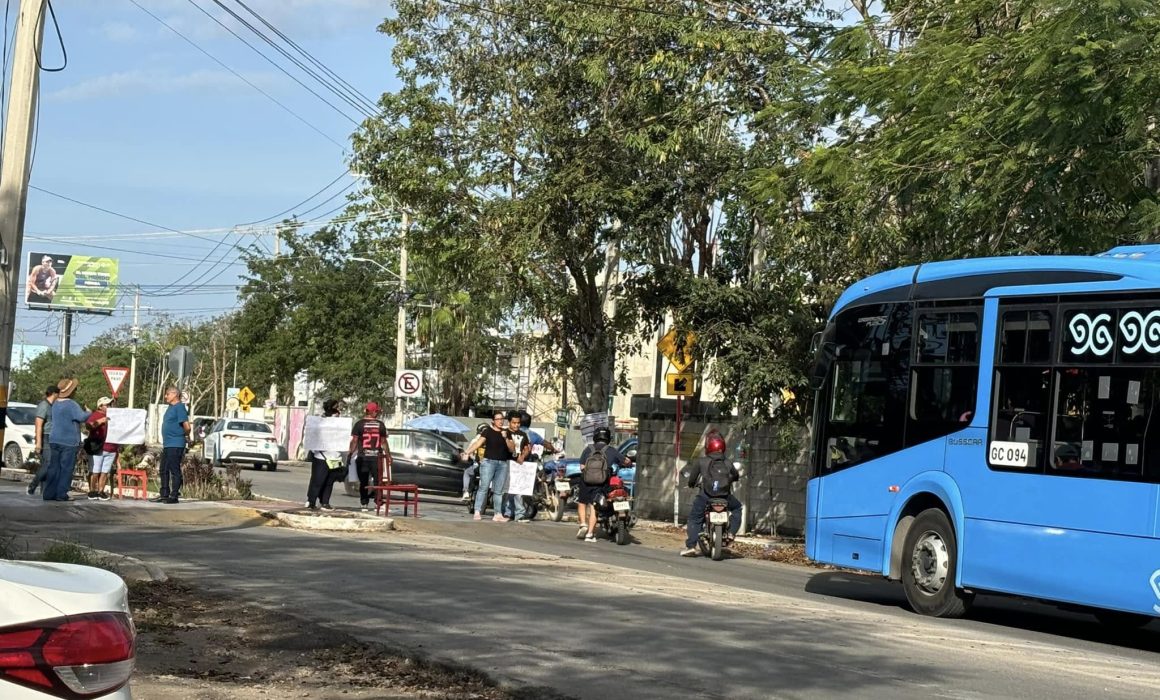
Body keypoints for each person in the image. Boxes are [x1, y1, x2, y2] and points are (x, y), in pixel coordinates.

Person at [680, 433, 742, 557]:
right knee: (737, 508)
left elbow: (692, 479)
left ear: (708, 447)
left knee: (695, 518)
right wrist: (730, 479)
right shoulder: (727, 462)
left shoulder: (701, 461)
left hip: (706, 496)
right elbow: (736, 476)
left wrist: (692, 484)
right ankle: (730, 533)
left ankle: (691, 546)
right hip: (725, 497)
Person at [462, 411, 515, 522]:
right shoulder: (488, 431)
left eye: (502, 419)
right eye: (498, 419)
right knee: (484, 487)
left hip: (502, 464)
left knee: (498, 490)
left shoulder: (506, 433)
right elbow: (478, 443)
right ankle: (477, 511)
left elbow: (512, 449)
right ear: (493, 421)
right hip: (489, 462)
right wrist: (467, 452)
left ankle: (498, 513)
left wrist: (505, 438)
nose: (500, 421)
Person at [43, 378, 89, 502]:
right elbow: (81, 417)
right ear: (72, 391)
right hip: (68, 441)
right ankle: (61, 494)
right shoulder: (72, 404)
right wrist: (89, 412)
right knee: (66, 468)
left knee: (54, 468)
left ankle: (48, 493)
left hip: (54, 439)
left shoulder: (55, 404)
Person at [576, 426, 625, 543]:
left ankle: (583, 524)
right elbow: (624, 461)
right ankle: (589, 534)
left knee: (582, 502)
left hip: (585, 480)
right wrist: (628, 463)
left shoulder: (588, 449)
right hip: (602, 482)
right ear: (608, 437)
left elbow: (582, 467)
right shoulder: (611, 450)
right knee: (595, 506)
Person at [306, 399, 347, 510]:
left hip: (335, 456)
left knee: (330, 481)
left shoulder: (341, 424)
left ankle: (325, 502)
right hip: (321, 456)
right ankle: (311, 501)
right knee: (317, 480)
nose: (339, 412)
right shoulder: (320, 422)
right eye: (337, 408)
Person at [153, 387, 190, 504]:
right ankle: (164, 494)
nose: (166, 396)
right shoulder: (171, 408)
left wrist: (183, 434)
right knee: (163, 469)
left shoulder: (180, 407)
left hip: (176, 444)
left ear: (175, 394)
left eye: (167, 394)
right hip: (168, 444)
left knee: (174, 469)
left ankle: (174, 495)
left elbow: (187, 426)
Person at [349, 402, 388, 511]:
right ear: (371, 412)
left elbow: (354, 441)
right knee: (378, 481)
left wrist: (350, 453)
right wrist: (389, 455)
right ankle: (378, 503)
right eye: (376, 411)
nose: (378, 413)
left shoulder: (358, 424)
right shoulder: (381, 425)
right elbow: (384, 442)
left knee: (364, 481)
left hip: (362, 457)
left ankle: (364, 503)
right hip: (376, 458)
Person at [502, 411, 532, 522]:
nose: (516, 425)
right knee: (506, 490)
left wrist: (523, 456)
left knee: (518, 490)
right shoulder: (505, 433)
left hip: (519, 466)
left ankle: (519, 514)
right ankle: (506, 512)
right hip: (506, 463)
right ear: (509, 422)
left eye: (518, 423)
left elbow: (527, 447)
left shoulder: (523, 435)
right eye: (514, 423)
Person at [27, 385, 58, 496]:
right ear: (54, 393)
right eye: (58, 394)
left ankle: (44, 491)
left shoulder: (53, 406)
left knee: (48, 465)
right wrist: (38, 443)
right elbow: (38, 425)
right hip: (46, 437)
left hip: (53, 437)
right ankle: (33, 484)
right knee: (48, 464)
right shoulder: (44, 405)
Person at [84, 397, 114, 500]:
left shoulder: (114, 416)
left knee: (105, 471)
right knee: (95, 471)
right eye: (107, 404)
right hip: (98, 447)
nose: (110, 406)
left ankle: (101, 491)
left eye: (110, 404)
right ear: (100, 406)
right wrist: (100, 421)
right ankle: (92, 490)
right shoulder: (95, 415)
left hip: (111, 448)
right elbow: (88, 426)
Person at [461, 423, 487, 501]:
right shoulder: (493, 439)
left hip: (478, 466)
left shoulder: (476, 440)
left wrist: (469, 456)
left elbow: (469, 453)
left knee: (467, 472)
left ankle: (466, 492)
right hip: (491, 467)